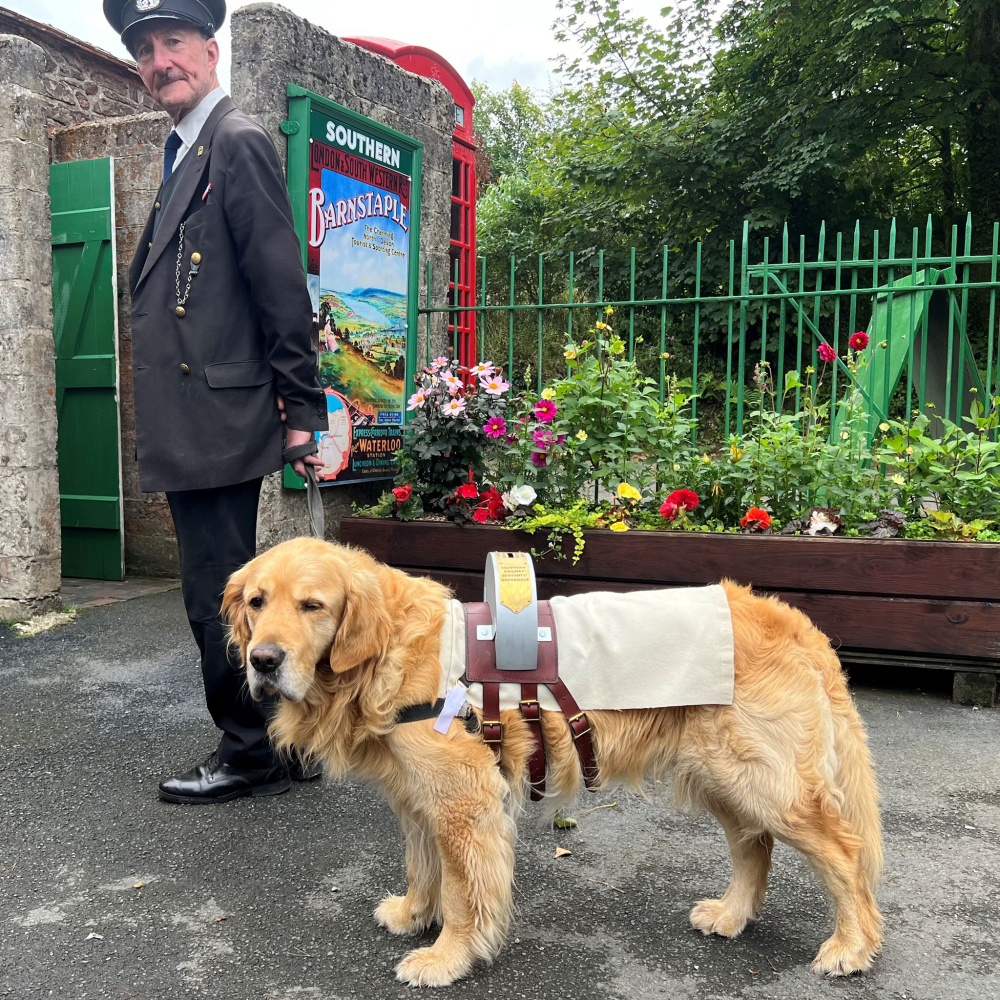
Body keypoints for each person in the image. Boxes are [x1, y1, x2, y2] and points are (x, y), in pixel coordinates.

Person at [102, 0, 328, 803]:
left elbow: (281, 286)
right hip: (197, 416)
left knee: (217, 596)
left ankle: (250, 752)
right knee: (234, 591)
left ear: (210, 50)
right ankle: (286, 741)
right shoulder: (184, 151)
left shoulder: (234, 141)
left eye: (173, 42)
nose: (159, 61)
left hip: (217, 420)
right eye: (145, 50)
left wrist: (303, 408)